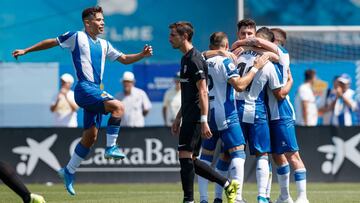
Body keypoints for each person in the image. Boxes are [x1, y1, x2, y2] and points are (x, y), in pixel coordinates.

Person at [12, 6, 153, 196]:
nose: (102, 23)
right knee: (118, 106)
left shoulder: (104, 44)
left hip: (94, 90)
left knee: (90, 138)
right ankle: (111, 147)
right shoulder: (76, 36)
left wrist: (142, 55)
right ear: (88, 22)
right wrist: (26, 50)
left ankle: (68, 171)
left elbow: (125, 58)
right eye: (99, 20)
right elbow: (51, 42)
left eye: (103, 20)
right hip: (84, 88)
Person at [169, 21, 239, 203]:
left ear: (184, 37)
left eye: (173, 35)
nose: (169, 39)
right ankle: (226, 184)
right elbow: (188, 94)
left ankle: (189, 200)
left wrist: (204, 120)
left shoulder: (194, 59)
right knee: (190, 159)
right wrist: (178, 117)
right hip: (188, 116)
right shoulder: (185, 58)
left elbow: (203, 91)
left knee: (185, 157)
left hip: (196, 118)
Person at [198, 32, 269, 203]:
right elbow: (239, 86)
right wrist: (255, 67)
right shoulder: (225, 61)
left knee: (205, 157)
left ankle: (203, 199)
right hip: (226, 113)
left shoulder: (201, 61)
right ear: (226, 45)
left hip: (207, 114)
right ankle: (236, 197)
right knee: (238, 153)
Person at [261, 28, 309, 203]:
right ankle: (284, 196)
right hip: (268, 115)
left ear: (277, 41)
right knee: (277, 156)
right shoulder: (266, 58)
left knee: (292, 154)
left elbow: (279, 94)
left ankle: (303, 197)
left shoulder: (282, 54)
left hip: (282, 113)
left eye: (270, 38)